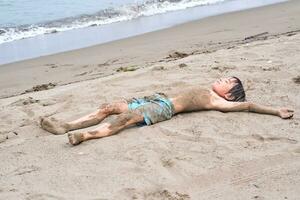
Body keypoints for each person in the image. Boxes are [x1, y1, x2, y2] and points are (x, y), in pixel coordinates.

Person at [40, 77, 294, 145]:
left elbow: (248, 105)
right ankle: (67, 126)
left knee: (124, 118)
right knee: (110, 107)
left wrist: (275, 111)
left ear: (229, 94)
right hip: (154, 98)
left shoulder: (218, 101)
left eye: (228, 80)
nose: (222, 77)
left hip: (164, 108)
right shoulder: (207, 89)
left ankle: (85, 136)